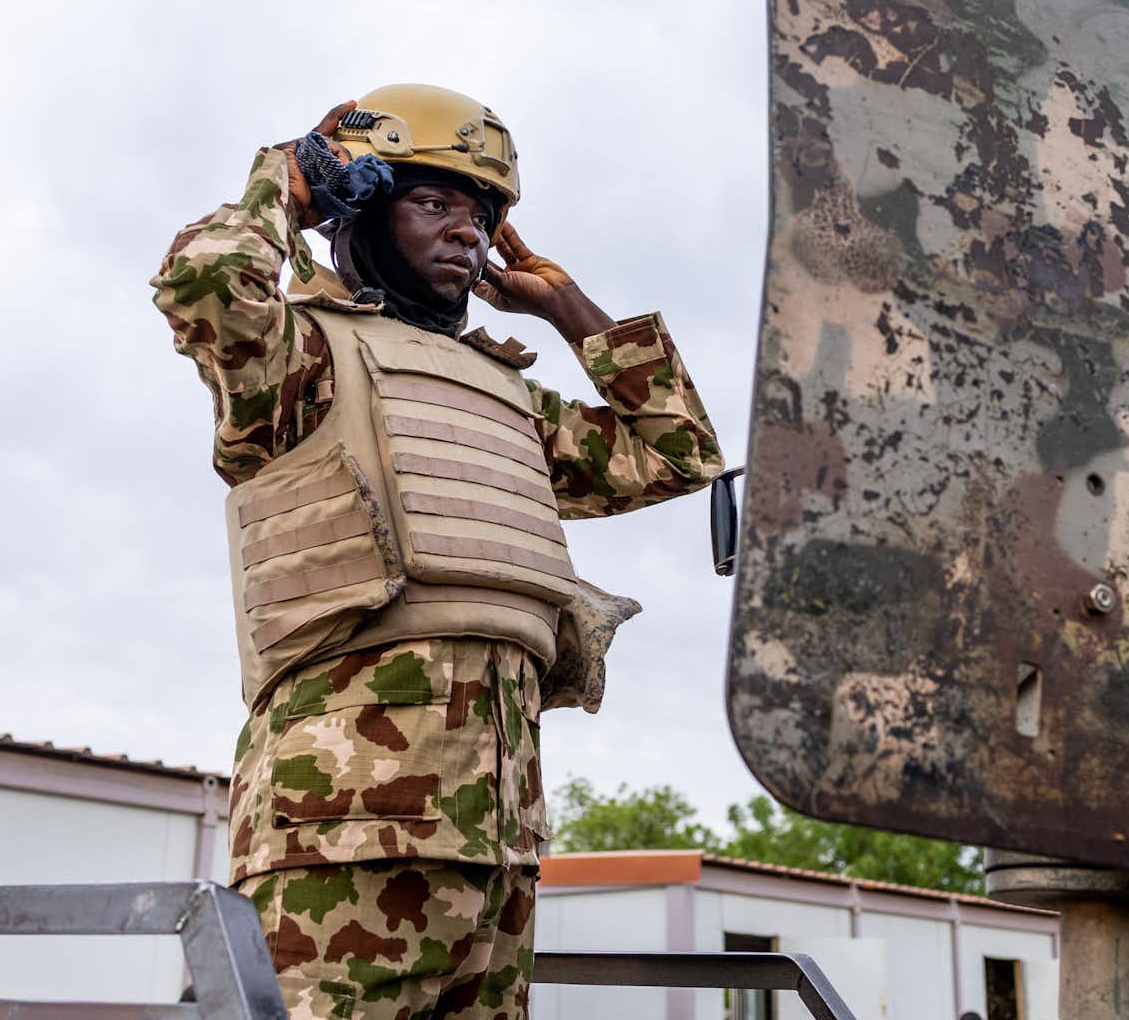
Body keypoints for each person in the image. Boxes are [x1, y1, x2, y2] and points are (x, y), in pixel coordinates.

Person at [151, 83, 723, 1020]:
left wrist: (568, 306)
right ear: (362, 212)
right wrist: (288, 184)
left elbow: (674, 452)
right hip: (346, 836)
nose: (469, 229)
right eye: (433, 202)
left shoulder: (509, 398)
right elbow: (206, 281)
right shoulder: (300, 362)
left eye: (483, 212)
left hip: (500, 849)